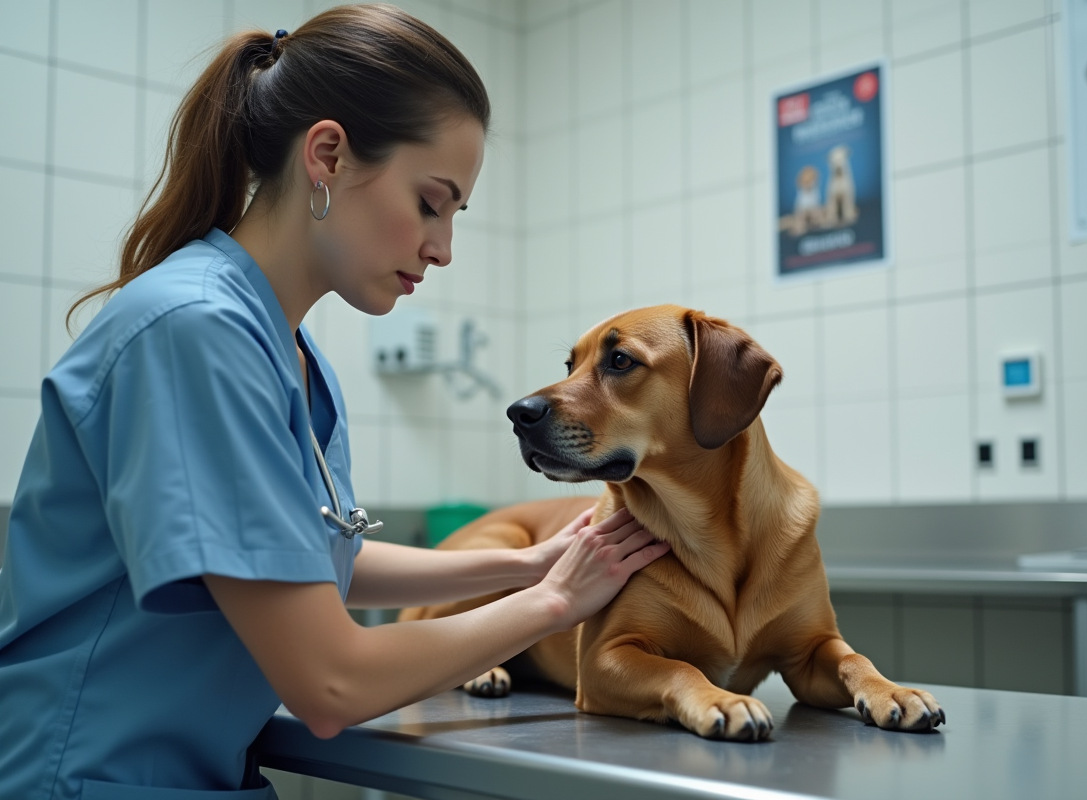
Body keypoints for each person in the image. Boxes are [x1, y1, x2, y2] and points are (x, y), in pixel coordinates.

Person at [0, 5, 670, 799]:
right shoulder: (193, 330)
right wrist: (553, 601)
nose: (443, 248)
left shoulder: (287, 347)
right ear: (327, 155)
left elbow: (307, 564)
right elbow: (330, 683)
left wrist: (524, 563)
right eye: (431, 202)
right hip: (85, 779)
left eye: (456, 214)